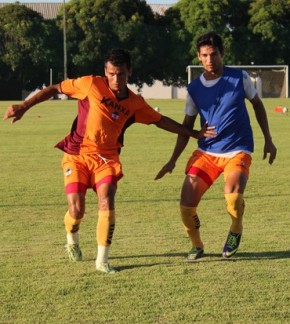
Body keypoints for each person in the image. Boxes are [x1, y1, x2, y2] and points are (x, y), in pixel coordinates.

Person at [3, 48, 216, 273]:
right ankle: (72, 238)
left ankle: (102, 261)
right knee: (76, 211)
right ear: (105, 72)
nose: (116, 79)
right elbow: (56, 88)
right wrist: (24, 106)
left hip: (107, 159)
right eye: (111, 74)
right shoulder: (90, 84)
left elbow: (160, 120)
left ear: (129, 72)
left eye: (121, 74)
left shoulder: (135, 103)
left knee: (107, 199)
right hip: (77, 156)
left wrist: (194, 134)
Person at [155, 32, 277, 261]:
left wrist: (268, 140)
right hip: (207, 153)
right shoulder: (193, 89)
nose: (209, 59)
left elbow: (258, 106)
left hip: (237, 150)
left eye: (213, 54)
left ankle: (236, 229)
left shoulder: (239, 78)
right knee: (186, 206)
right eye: (204, 55)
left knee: (232, 199)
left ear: (222, 53)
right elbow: (186, 126)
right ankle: (197, 245)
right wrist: (172, 159)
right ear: (199, 57)